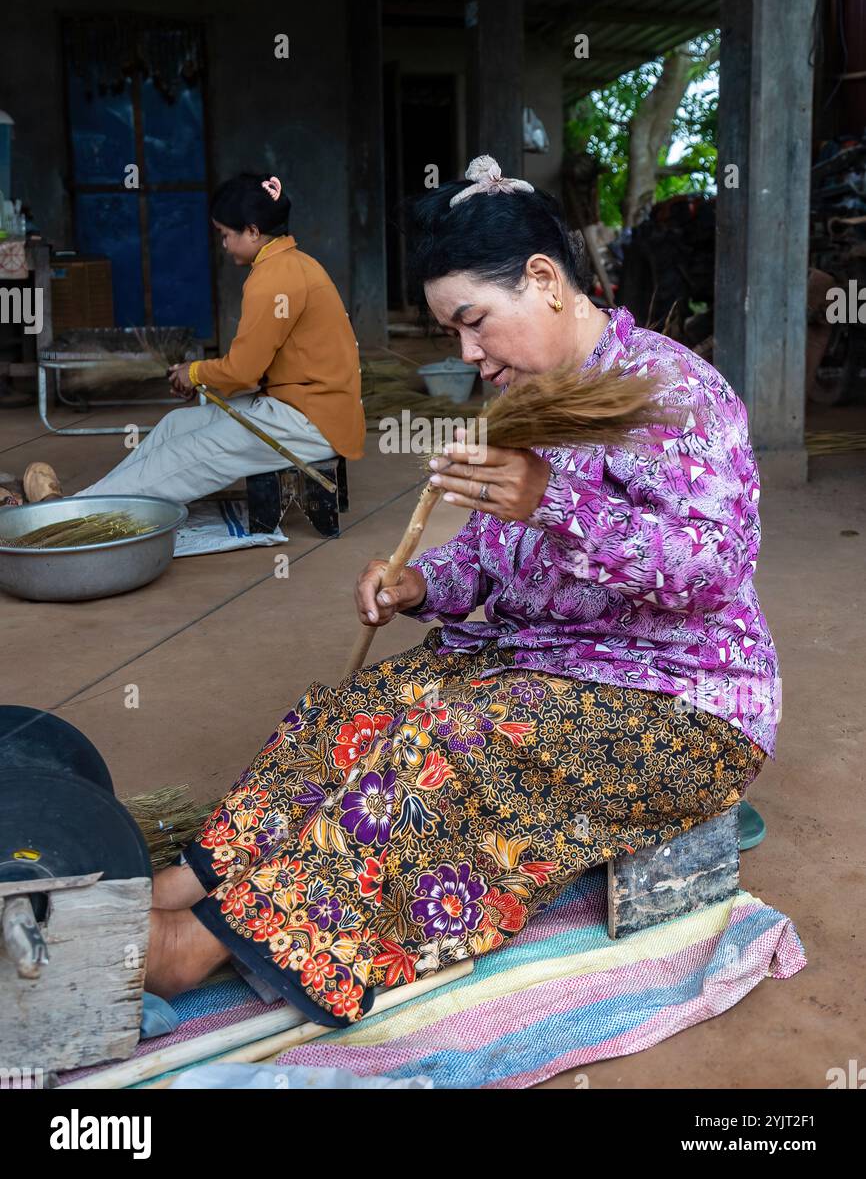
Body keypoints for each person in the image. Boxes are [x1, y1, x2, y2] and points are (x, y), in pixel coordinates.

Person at [144, 155, 779, 1026]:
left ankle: (198, 949)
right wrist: (417, 584)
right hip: (544, 665)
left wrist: (555, 501)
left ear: (546, 281)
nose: (471, 356)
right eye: (454, 335)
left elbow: (714, 565)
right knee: (360, 705)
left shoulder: (670, 390)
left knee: (453, 745)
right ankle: (185, 885)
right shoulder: (537, 394)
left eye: (475, 324)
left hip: (682, 704)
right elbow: (486, 556)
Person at [72, 172, 365, 504]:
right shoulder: (294, 262)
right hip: (290, 406)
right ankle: (91, 501)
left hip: (310, 422)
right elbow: (250, 370)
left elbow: (243, 373)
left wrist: (194, 373)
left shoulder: (273, 278)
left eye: (225, 235)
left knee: (182, 456)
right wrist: (196, 375)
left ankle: (79, 512)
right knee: (173, 427)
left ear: (253, 232)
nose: (223, 245)